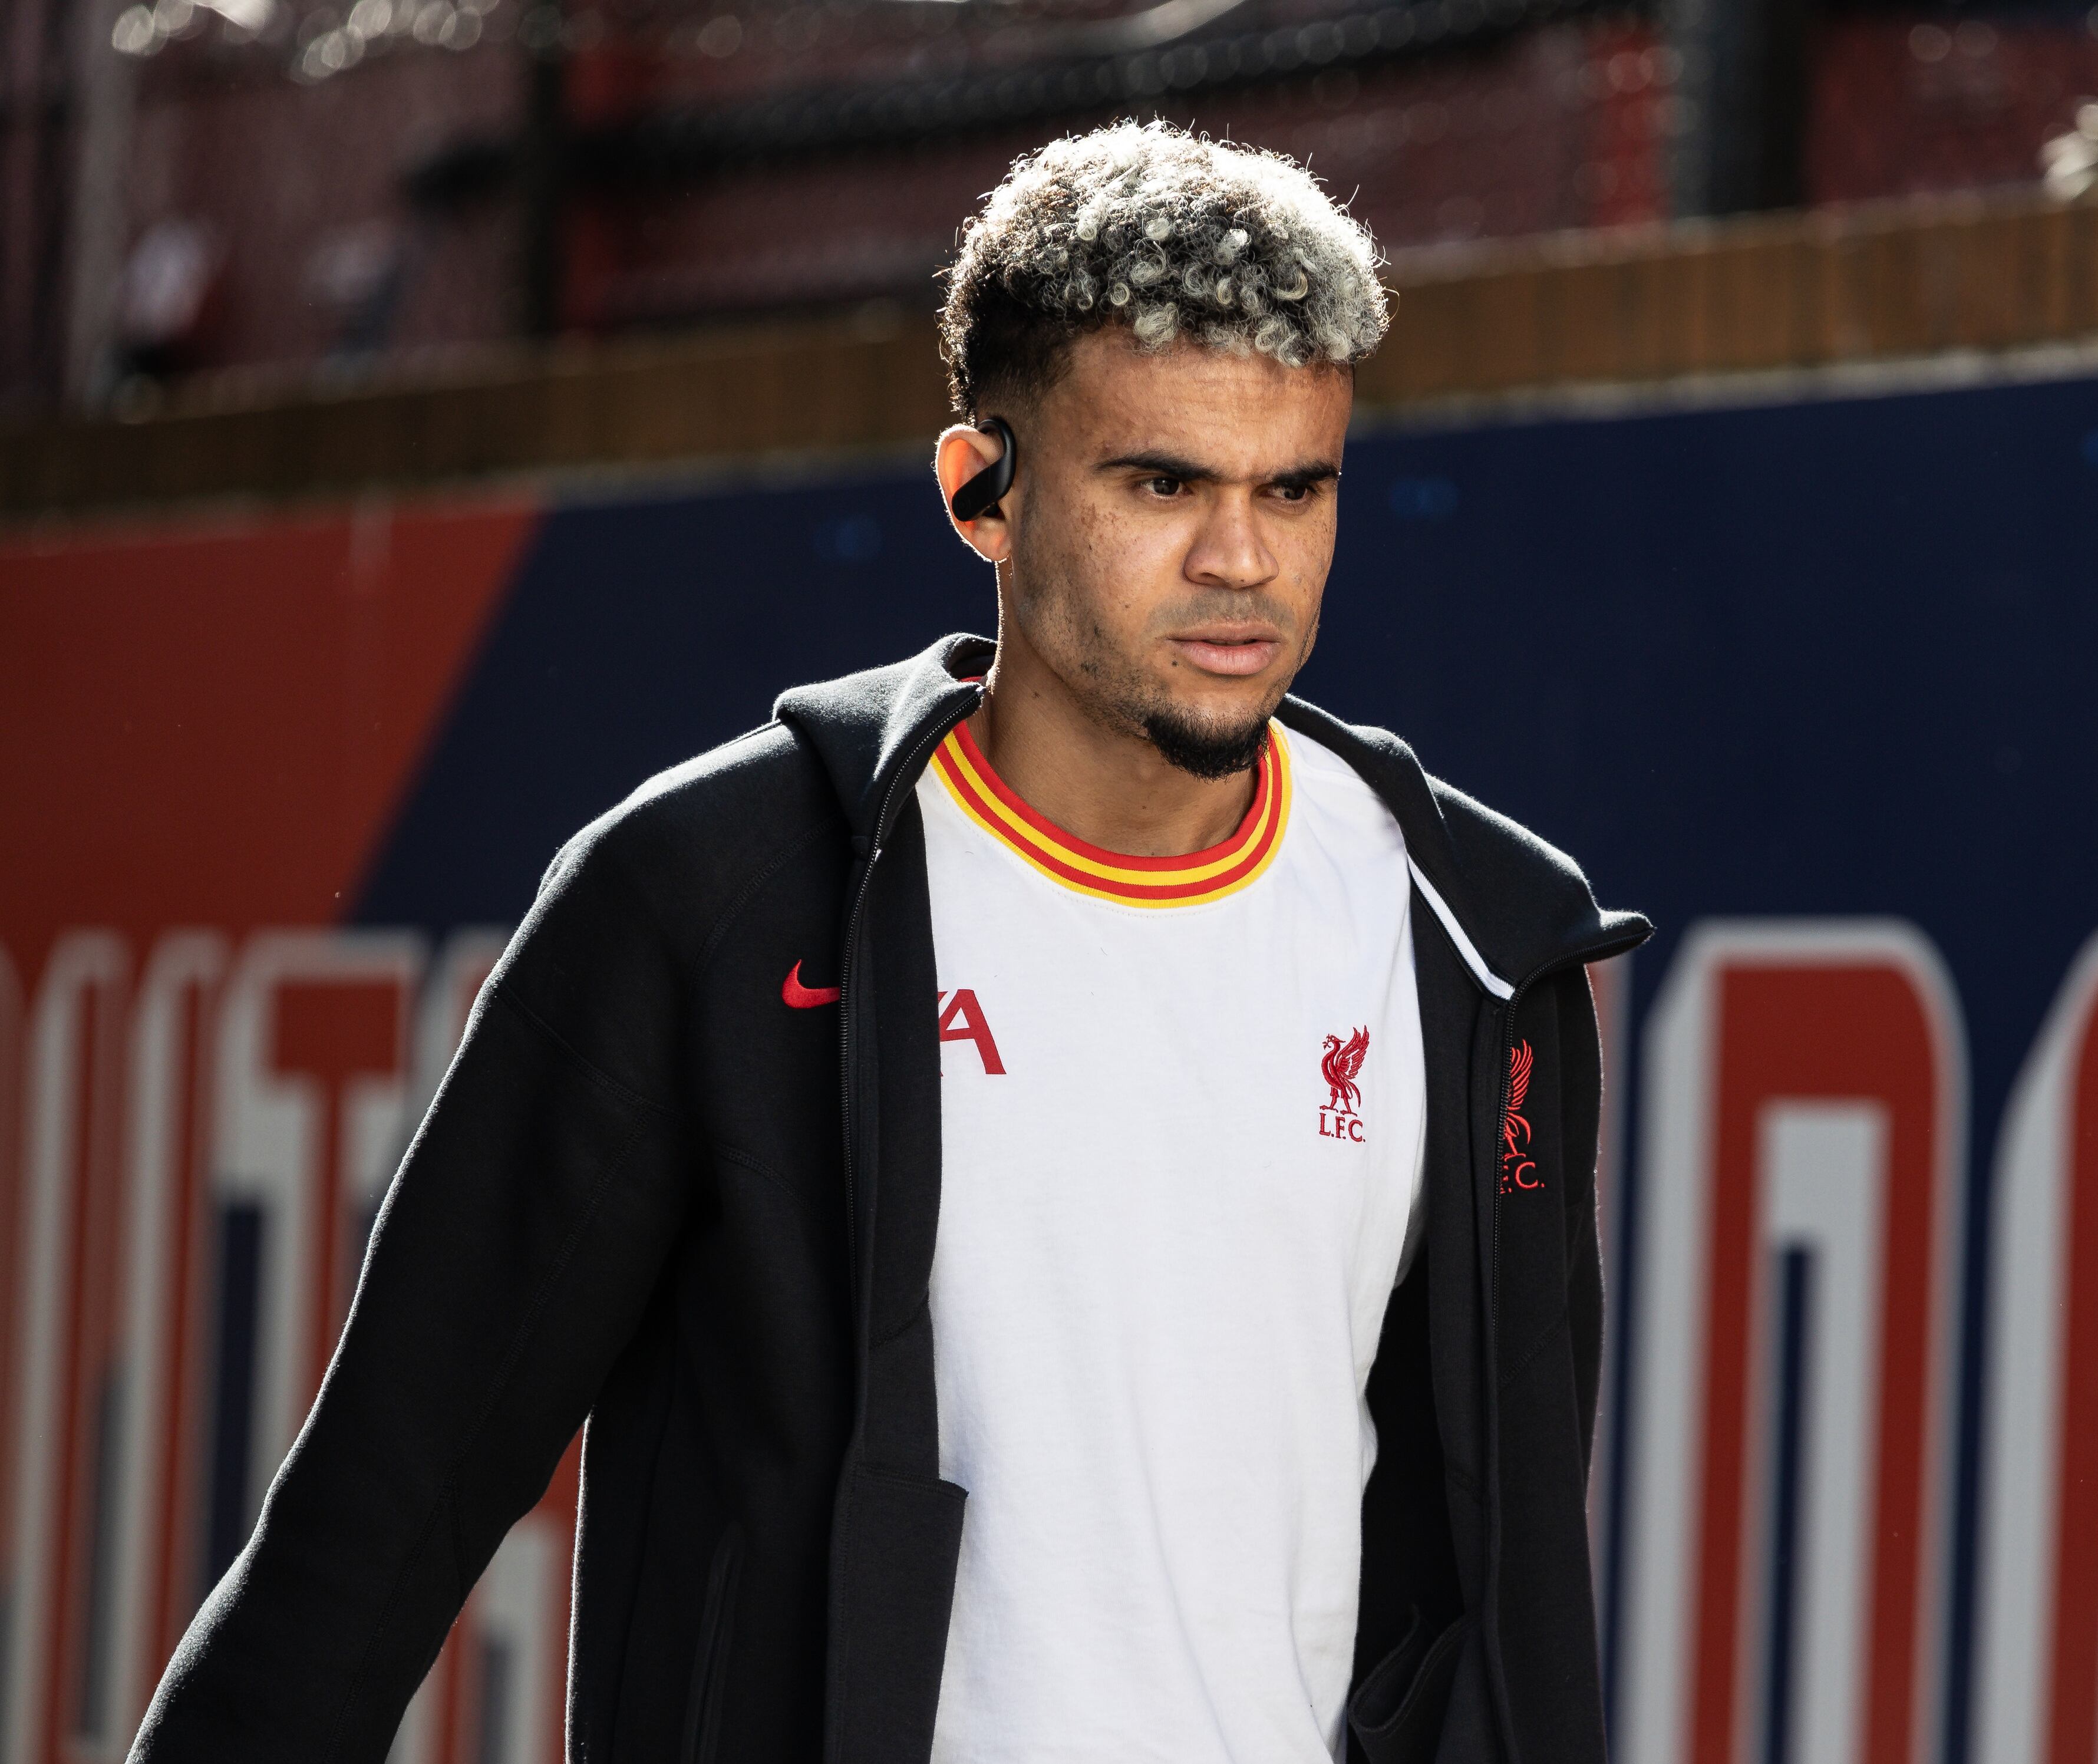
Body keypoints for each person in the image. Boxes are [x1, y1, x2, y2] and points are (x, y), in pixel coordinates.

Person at [129, 123, 1645, 1764]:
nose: (1242, 560)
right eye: (1162, 483)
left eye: (1295, 487)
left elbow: (1501, 1592)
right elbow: (381, 1515)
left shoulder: (1476, 948)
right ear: (980, 492)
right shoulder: (718, 898)